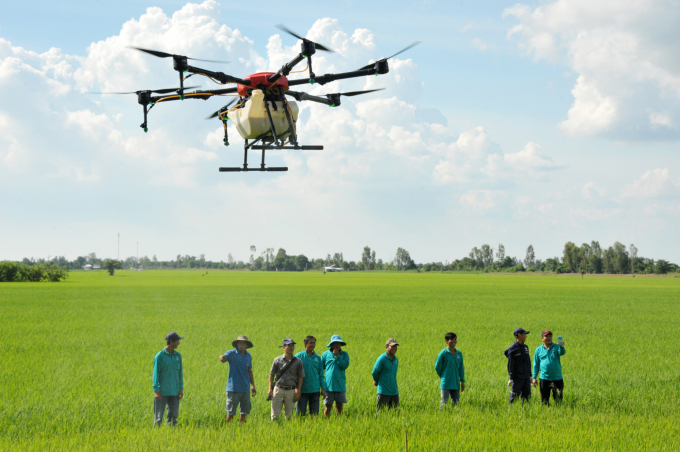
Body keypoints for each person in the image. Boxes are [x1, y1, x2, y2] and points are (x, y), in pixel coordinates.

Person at [218, 335, 256, 424]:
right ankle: (228, 431)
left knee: (244, 413)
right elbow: (224, 357)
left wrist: (253, 386)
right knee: (231, 413)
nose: (241, 345)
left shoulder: (248, 356)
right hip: (233, 389)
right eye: (239, 343)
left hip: (245, 389)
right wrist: (222, 357)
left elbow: (249, 371)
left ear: (246, 345)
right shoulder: (231, 354)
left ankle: (242, 430)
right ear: (237, 344)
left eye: (243, 343)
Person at [152, 332, 184, 427]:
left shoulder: (178, 356)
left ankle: (171, 435)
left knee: (173, 417)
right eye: (177, 341)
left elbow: (180, 373)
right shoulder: (160, 356)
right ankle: (156, 436)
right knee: (158, 418)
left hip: (174, 391)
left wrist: (180, 388)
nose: (178, 343)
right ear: (171, 342)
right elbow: (155, 374)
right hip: (162, 392)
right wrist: (156, 390)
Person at [269, 338, 305, 420]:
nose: (291, 347)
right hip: (278, 389)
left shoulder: (298, 361)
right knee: (274, 415)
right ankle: (274, 431)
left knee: (289, 416)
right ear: (283, 347)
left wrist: (298, 390)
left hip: (290, 391)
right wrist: (270, 388)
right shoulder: (277, 360)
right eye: (289, 345)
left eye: (292, 346)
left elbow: (300, 377)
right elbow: (271, 374)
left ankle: (286, 431)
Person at [532, 330, 567, 405]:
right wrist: (534, 377)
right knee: (544, 401)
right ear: (542, 338)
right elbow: (536, 364)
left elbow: (562, 353)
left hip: (557, 378)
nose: (548, 338)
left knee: (558, 401)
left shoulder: (556, 347)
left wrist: (561, 347)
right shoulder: (538, 350)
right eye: (546, 336)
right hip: (544, 379)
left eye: (550, 336)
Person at [295, 336, 327, 416]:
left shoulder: (318, 358)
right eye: (310, 343)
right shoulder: (298, 356)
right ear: (305, 344)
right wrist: (296, 388)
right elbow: (294, 374)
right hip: (302, 390)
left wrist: (323, 388)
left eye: (314, 343)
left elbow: (321, 375)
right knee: (300, 415)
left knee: (314, 415)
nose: (313, 345)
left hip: (315, 391)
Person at [321, 334, 350, 417]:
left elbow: (344, 366)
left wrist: (338, 356)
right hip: (328, 386)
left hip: (340, 385)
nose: (337, 345)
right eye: (335, 343)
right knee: (328, 407)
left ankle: (338, 422)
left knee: (340, 407)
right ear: (331, 344)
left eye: (338, 343)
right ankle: (325, 422)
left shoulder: (344, 355)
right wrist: (322, 385)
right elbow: (321, 369)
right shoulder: (325, 354)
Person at [434, 332, 465, 407]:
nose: (454, 341)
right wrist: (443, 376)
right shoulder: (443, 353)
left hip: (456, 383)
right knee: (443, 404)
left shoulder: (459, 354)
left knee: (456, 404)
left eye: (455, 339)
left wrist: (462, 381)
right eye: (452, 339)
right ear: (446, 340)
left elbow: (461, 368)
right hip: (446, 383)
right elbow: (437, 367)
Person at [504, 327, 532, 405]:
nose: (526, 336)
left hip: (526, 377)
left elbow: (528, 362)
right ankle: (511, 412)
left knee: (527, 398)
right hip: (517, 378)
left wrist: (530, 376)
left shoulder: (525, 347)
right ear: (519, 335)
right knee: (514, 398)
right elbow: (510, 364)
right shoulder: (513, 349)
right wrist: (511, 378)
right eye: (524, 334)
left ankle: (526, 413)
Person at [372, 338, 400, 412]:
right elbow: (374, 372)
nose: (394, 348)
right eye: (392, 346)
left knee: (394, 415)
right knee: (381, 414)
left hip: (394, 392)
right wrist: (377, 381)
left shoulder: (396, 360)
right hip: (383, 392)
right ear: (387, 347)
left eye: (395, 346)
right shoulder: (382, 359)